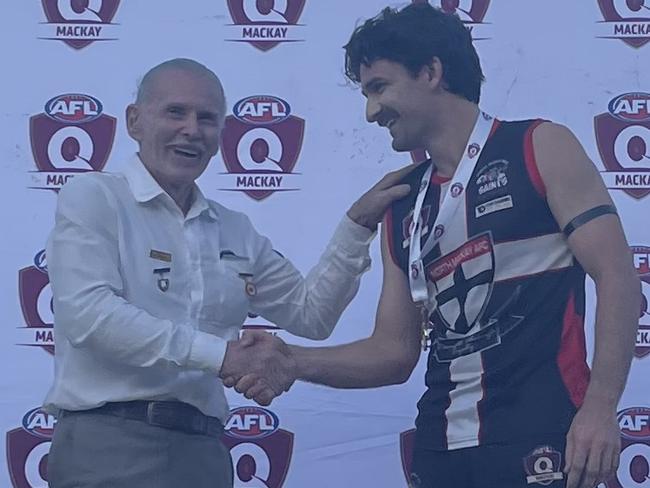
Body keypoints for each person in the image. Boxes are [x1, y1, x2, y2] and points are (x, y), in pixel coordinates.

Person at [226, 5, 641, 488]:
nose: (370, 112)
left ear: (431, 71)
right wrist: (293, 360)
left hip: (544, 431)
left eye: (379, 87)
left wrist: (600, 409)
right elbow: (394, 351)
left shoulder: (538, 145)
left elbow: (617, 276)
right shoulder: (402, 203)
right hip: (439, 445)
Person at [43, 58, 412, 488]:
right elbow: (89, 315)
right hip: (107, 445)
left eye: (207, 119)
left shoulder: (234, 228)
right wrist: (222, 356)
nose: (191, 129)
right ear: (134, 121)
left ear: (220, 136)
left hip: (205, 453)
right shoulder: (94, 196)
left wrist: (356, 225)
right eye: (175, 112)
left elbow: (311, 315)